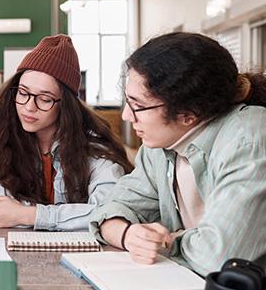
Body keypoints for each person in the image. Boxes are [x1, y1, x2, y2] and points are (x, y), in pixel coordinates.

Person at [90, 32, 266, 276]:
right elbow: (110, 208)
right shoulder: (159, 147)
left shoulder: (249, 139)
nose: (126, 116)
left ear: (188, 114)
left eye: (138, 106)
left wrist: (167, 241)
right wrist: (128, 235)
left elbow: (218, 257)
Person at [0, 34, 132, 231]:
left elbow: (108, 212)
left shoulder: (95, 148)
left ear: (66, 105)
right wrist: (73, 217)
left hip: (84, 257)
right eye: (23, 93)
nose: (29, 107)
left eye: (44, 99)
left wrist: (28, 215)